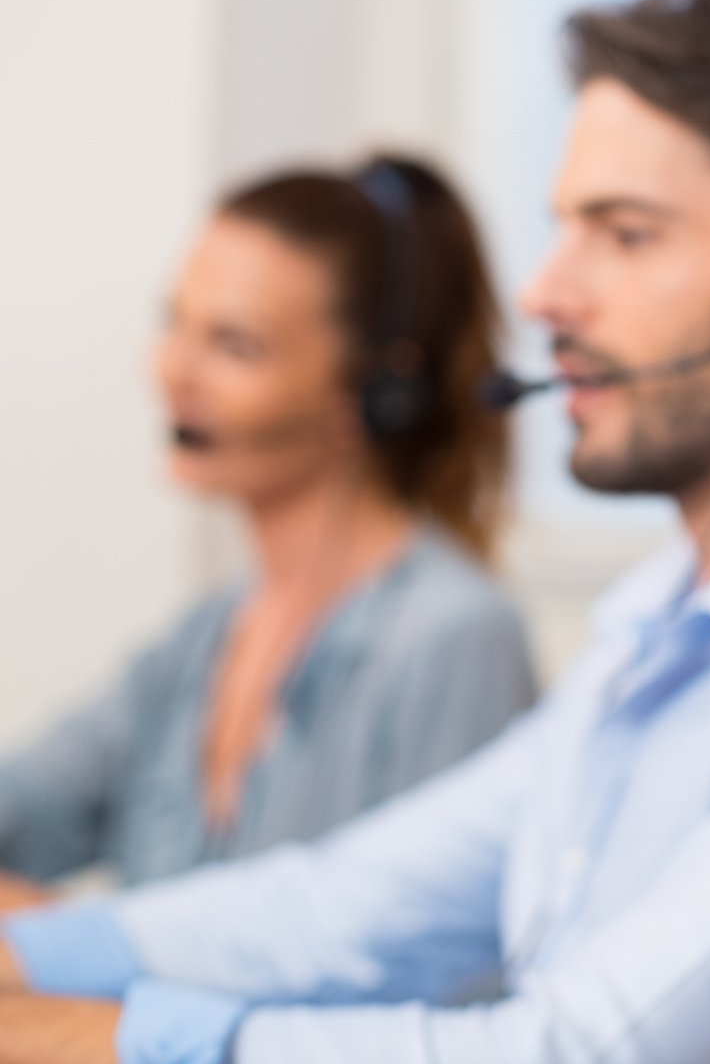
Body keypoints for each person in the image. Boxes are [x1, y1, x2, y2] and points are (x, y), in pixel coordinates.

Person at [0, 0, 710, 1064]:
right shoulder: (656, 626)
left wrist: (82, 1041)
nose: (543, 295)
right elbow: (342, 909)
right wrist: (30, 960)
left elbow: (569, 1050)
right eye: (565, 228)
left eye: (624, 234)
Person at [0, 156, 536, 904]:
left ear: (374, 389)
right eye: (174, 324)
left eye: (235, 345)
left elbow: (436, 973)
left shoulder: (453, 639)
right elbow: (22, 808)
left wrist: (75, 943)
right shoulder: (206, 637)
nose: (174, 371)